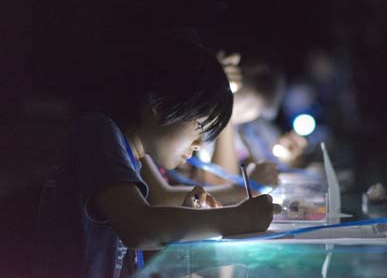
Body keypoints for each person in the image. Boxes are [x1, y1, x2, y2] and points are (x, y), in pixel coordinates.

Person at [36, 37, 275, 278]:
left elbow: (138, 254)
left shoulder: (132, 160)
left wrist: (187, 218)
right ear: (159, 103)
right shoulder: (97, 133)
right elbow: (138, 228)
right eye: (200, 127)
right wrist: (241, 218)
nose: (200, 144)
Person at [198, 53, 308, 187]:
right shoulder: (203, 127)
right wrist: (224, 104)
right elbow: (220, 182)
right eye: (248, 105)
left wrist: (291, 158)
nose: (250, 113)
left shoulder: (255, 126)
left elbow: (279, 164)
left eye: (255, 109)